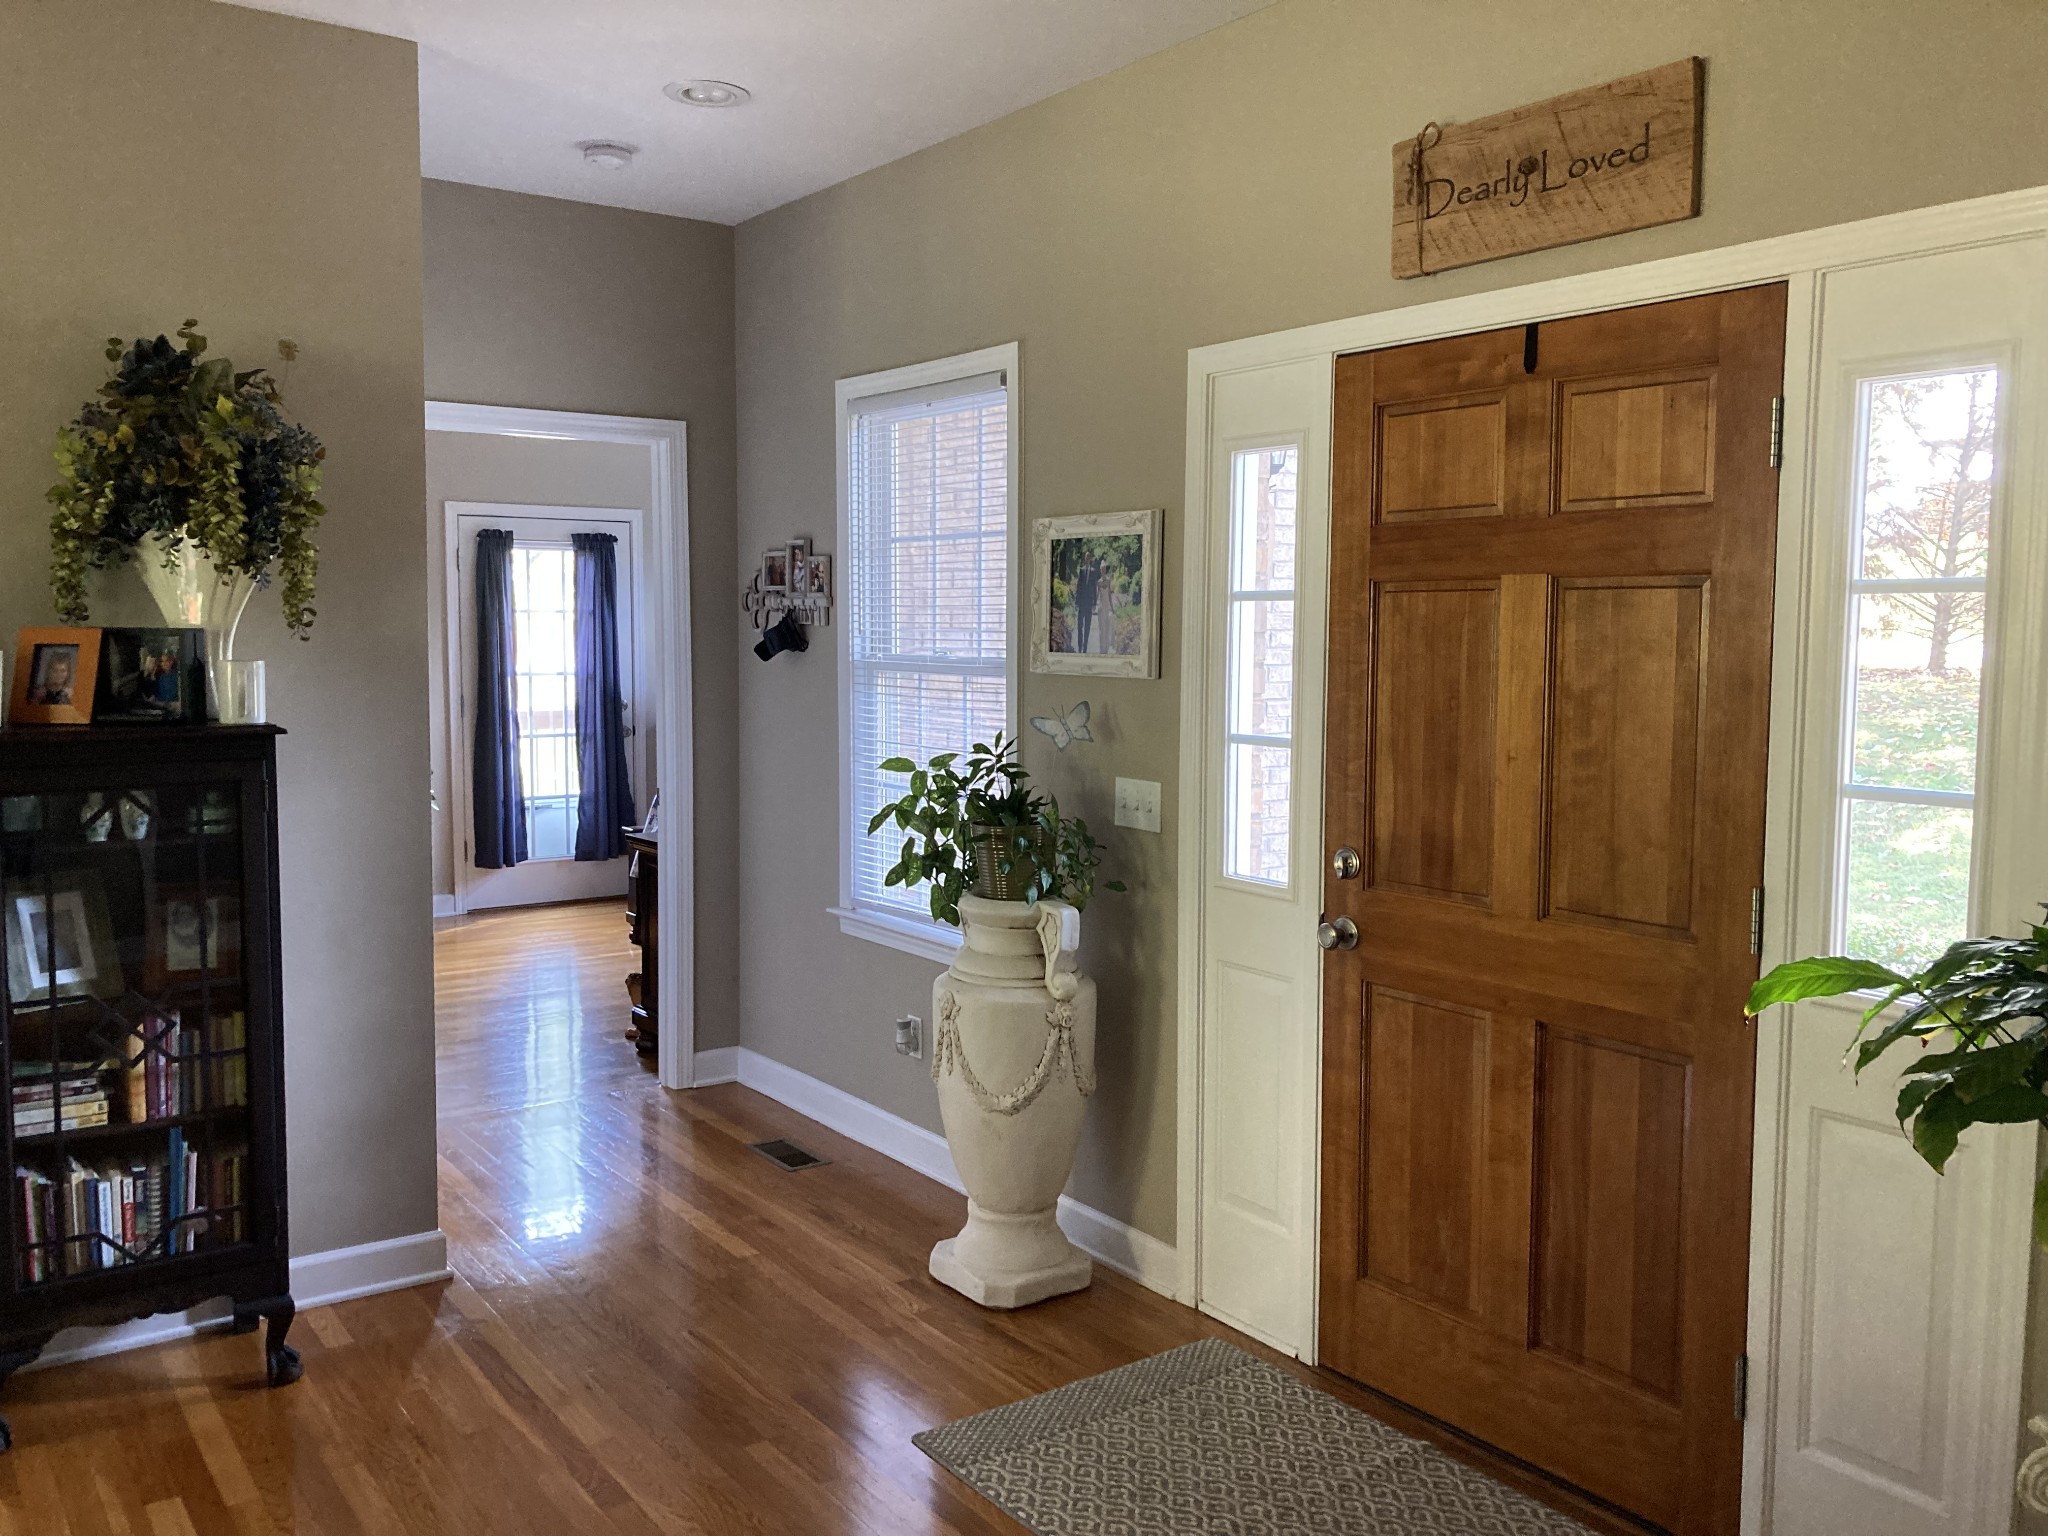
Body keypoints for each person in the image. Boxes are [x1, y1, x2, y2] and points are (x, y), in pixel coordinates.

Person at [1074, 553, 1100, 654]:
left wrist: (1094, 603)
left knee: (1087, 626)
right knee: (1080, 625)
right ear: (1084, 559)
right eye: (1086, 557)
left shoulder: (1094, 571)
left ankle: (1085, 647)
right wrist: (1076, 601)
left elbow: (1094, 588)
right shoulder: (1081, 570)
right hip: (1081, 603)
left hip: (1089, 603)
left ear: (1091, 559)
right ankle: (1080, 646)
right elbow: (1078, 585)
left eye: (1089, 557)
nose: (1087, 559)